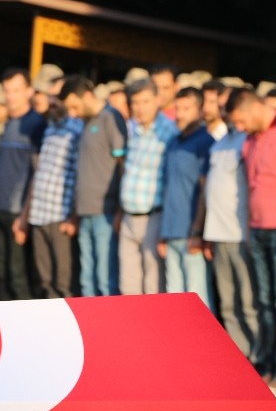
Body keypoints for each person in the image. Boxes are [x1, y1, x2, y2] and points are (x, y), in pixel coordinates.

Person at [226, 87, 276, 387]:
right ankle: (269, 362)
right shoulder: (251, 138)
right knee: (263, 299)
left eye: (240, 120)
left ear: (253, 108)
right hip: (257, 229)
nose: (239, 127)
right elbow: (251, 188)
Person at [202, 79, 258, 361]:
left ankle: (257, 354)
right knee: (226, 303)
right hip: (218, 232)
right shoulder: (220, 142)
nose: (223, 111)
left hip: (241, 233)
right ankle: (239, 355)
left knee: (248, 302)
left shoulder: (248, 140)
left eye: (226, 106)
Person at [62, 76, 126, 297]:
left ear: (88, 97)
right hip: (84, 211)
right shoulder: (86, 122)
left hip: (105, 212)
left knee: (105, 278)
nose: (72, 113)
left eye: (74, 106)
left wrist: (120, 209)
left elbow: (122, 164)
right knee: (87, 279)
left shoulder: (110, 118)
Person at [21, 81, 83, 298]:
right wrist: (25, 215)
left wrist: (74, 216)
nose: (53, 102)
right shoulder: (49, 129)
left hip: (61, 216)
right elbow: (38, 175)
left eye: (58, 97)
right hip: (39, 214)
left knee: (64, 282)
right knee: (44, 279)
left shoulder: (77, 129)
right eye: (51, 97)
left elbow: (79, 177)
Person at [0, 68, 45, 300]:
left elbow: (36, 173)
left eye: (16, 91)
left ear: (28, 91)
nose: (11, 96)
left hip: (17, 211)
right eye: (7, 91)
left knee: (18, 275)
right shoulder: (7, 124)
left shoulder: (36, 125)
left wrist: (24, 215)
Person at [119, 78, 178, 295]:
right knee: (128, 286)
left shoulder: (168, 132)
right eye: (135, 103)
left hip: (153, 216)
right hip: (128, 217)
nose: (140, 108)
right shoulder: (132, 130)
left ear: (157, 100)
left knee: (152, 286)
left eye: (145, 101)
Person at [157, 86, 214, 306]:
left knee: (197, 298)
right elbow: (168, 187)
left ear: (200, 111)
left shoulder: (206, 143)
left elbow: (204, 190)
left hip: (192, 233)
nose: (180, 114)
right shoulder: (173, 142)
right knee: (174, 297)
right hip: (171, 230)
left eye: (187, 109)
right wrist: (163, 231)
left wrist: (197, 231)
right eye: (177, 108)